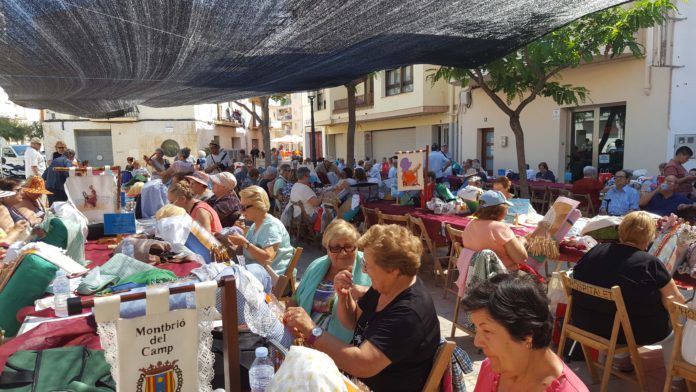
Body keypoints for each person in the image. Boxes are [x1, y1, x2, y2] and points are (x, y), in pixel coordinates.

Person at [283, 224, 440, 392]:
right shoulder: (387, 286)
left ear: (393, 270)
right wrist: (344, 296)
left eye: (367, 266)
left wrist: (312, 330)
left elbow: (361, 364)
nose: (364, 270)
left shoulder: (409, 314)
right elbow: (352, 322)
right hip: (351, 381)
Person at [572, 211, 685, 373]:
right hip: (627, 332)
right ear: (650, 237)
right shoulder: (649, 263)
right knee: (676, 331)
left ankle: (621, 360)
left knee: (622, 309)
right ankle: (677, 380)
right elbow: (675, 302)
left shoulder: (595, 251)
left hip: (584, 323)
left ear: (621, 231)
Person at [463, 273, 588, 392]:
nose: (477, 342)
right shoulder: (491, 368)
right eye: (477, 329)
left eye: (486, 330)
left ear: (528, 334)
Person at [291, 219, 371, 343]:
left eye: (349, 246)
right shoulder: (316, 266)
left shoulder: (369, 267)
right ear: (327, 249)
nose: (343, 253)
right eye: (335, 248)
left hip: (339, 346)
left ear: (357, 246)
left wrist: (365, 291)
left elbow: (389, 293)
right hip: (302, 336)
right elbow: (295, 299)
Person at [226, 185, 294, 276]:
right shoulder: (256, 224)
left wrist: (244, 243)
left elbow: (268, 258)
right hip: (253, 271)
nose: (241, 212)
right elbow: (245, 252)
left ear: (258, 206)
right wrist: (227, 242)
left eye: (243, 207)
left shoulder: (271, 226)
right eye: (240, 207)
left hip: (268, 277)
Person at [461, 190, 528, 271]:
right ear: (500, 210)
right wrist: (521, 242)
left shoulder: (470, 225)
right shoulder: (500, 228)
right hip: (502, 277)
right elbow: (521, 259)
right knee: (536, 279)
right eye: (507, 208)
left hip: (475, 274)